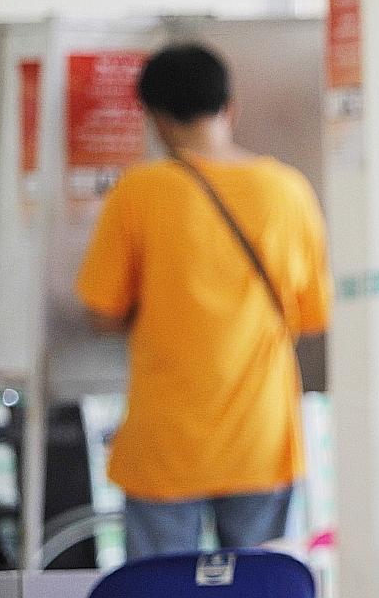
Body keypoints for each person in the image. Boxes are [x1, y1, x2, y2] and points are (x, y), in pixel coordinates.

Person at [77, 44, 330, 558]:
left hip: (166, 443)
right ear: (229, 106)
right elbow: (312, 314)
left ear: (155, 118)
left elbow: (102, 312)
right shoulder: (287, 190)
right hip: (261, 438)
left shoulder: (139, 192)